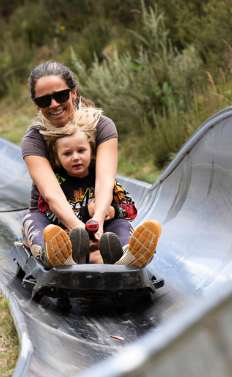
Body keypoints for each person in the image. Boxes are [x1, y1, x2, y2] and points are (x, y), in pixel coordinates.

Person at [21, 61, 160, 268]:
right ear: (36, 104)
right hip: (53, 219)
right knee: (33, 223)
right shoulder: (34, 139)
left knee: (120, 223)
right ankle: (56, 254)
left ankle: (127, 254)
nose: (53, 104)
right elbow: (51, 194)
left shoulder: (102, 127)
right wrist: (81, 232)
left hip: (97, 214)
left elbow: (105, 181)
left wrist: (98, 224)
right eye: (43, 100)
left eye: (60, 96)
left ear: (73, 93)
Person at [36, 106, 143, 266]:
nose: (75, 158)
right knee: (57, 231)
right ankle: (65, 255)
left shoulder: (103, 179)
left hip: (104, 236)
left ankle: (126, 253)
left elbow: (131, 210)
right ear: (57, 159)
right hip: (70, 232)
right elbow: (46, 212)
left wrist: (113, 211)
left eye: (81, 151)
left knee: (122, 224)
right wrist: (87, 213)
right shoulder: (56, 183)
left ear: (92, 153)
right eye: (67, 153)